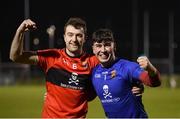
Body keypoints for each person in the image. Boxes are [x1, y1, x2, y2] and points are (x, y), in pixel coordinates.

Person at [10, 17, 144, 118]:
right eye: (70, 34)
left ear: (84, 38)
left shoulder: (93, 62)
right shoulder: (52, 57)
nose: (74, 39)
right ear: (64, 37)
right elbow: (15, 57)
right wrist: (20, 31)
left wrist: (135, 83)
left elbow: (119, 67)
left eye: (78, 35)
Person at [91, 28, 161, 118]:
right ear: (93, 49)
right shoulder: (94, 73)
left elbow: (154, 82)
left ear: (114, 46)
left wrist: (150, 68)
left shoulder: (128, 67)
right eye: (99, 46)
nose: (103, 50)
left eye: (107, 45)